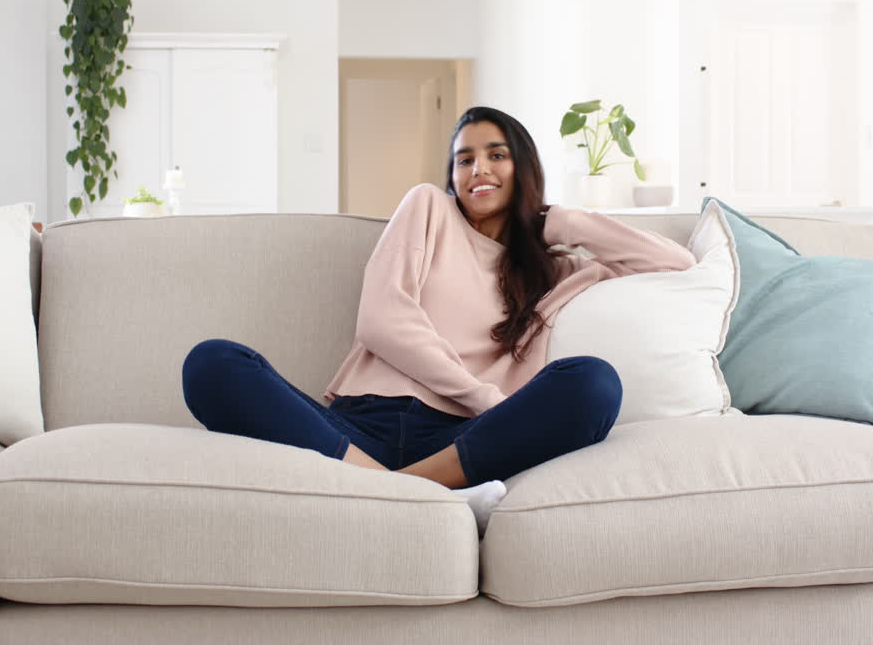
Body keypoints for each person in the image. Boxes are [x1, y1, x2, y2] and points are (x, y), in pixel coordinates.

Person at [181, 106, 696, 535]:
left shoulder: (557, 270)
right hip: (358, 428)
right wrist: (483, 396)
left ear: (524, 167)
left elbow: (675, 263)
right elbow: (382, 319)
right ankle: (419, 494)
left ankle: (383, 491)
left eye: (497, 155)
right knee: (213, 363)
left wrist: (561, 220)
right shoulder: (429, 207)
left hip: (463, 441)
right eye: (464, 159)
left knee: (594, 382)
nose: (478, 169)